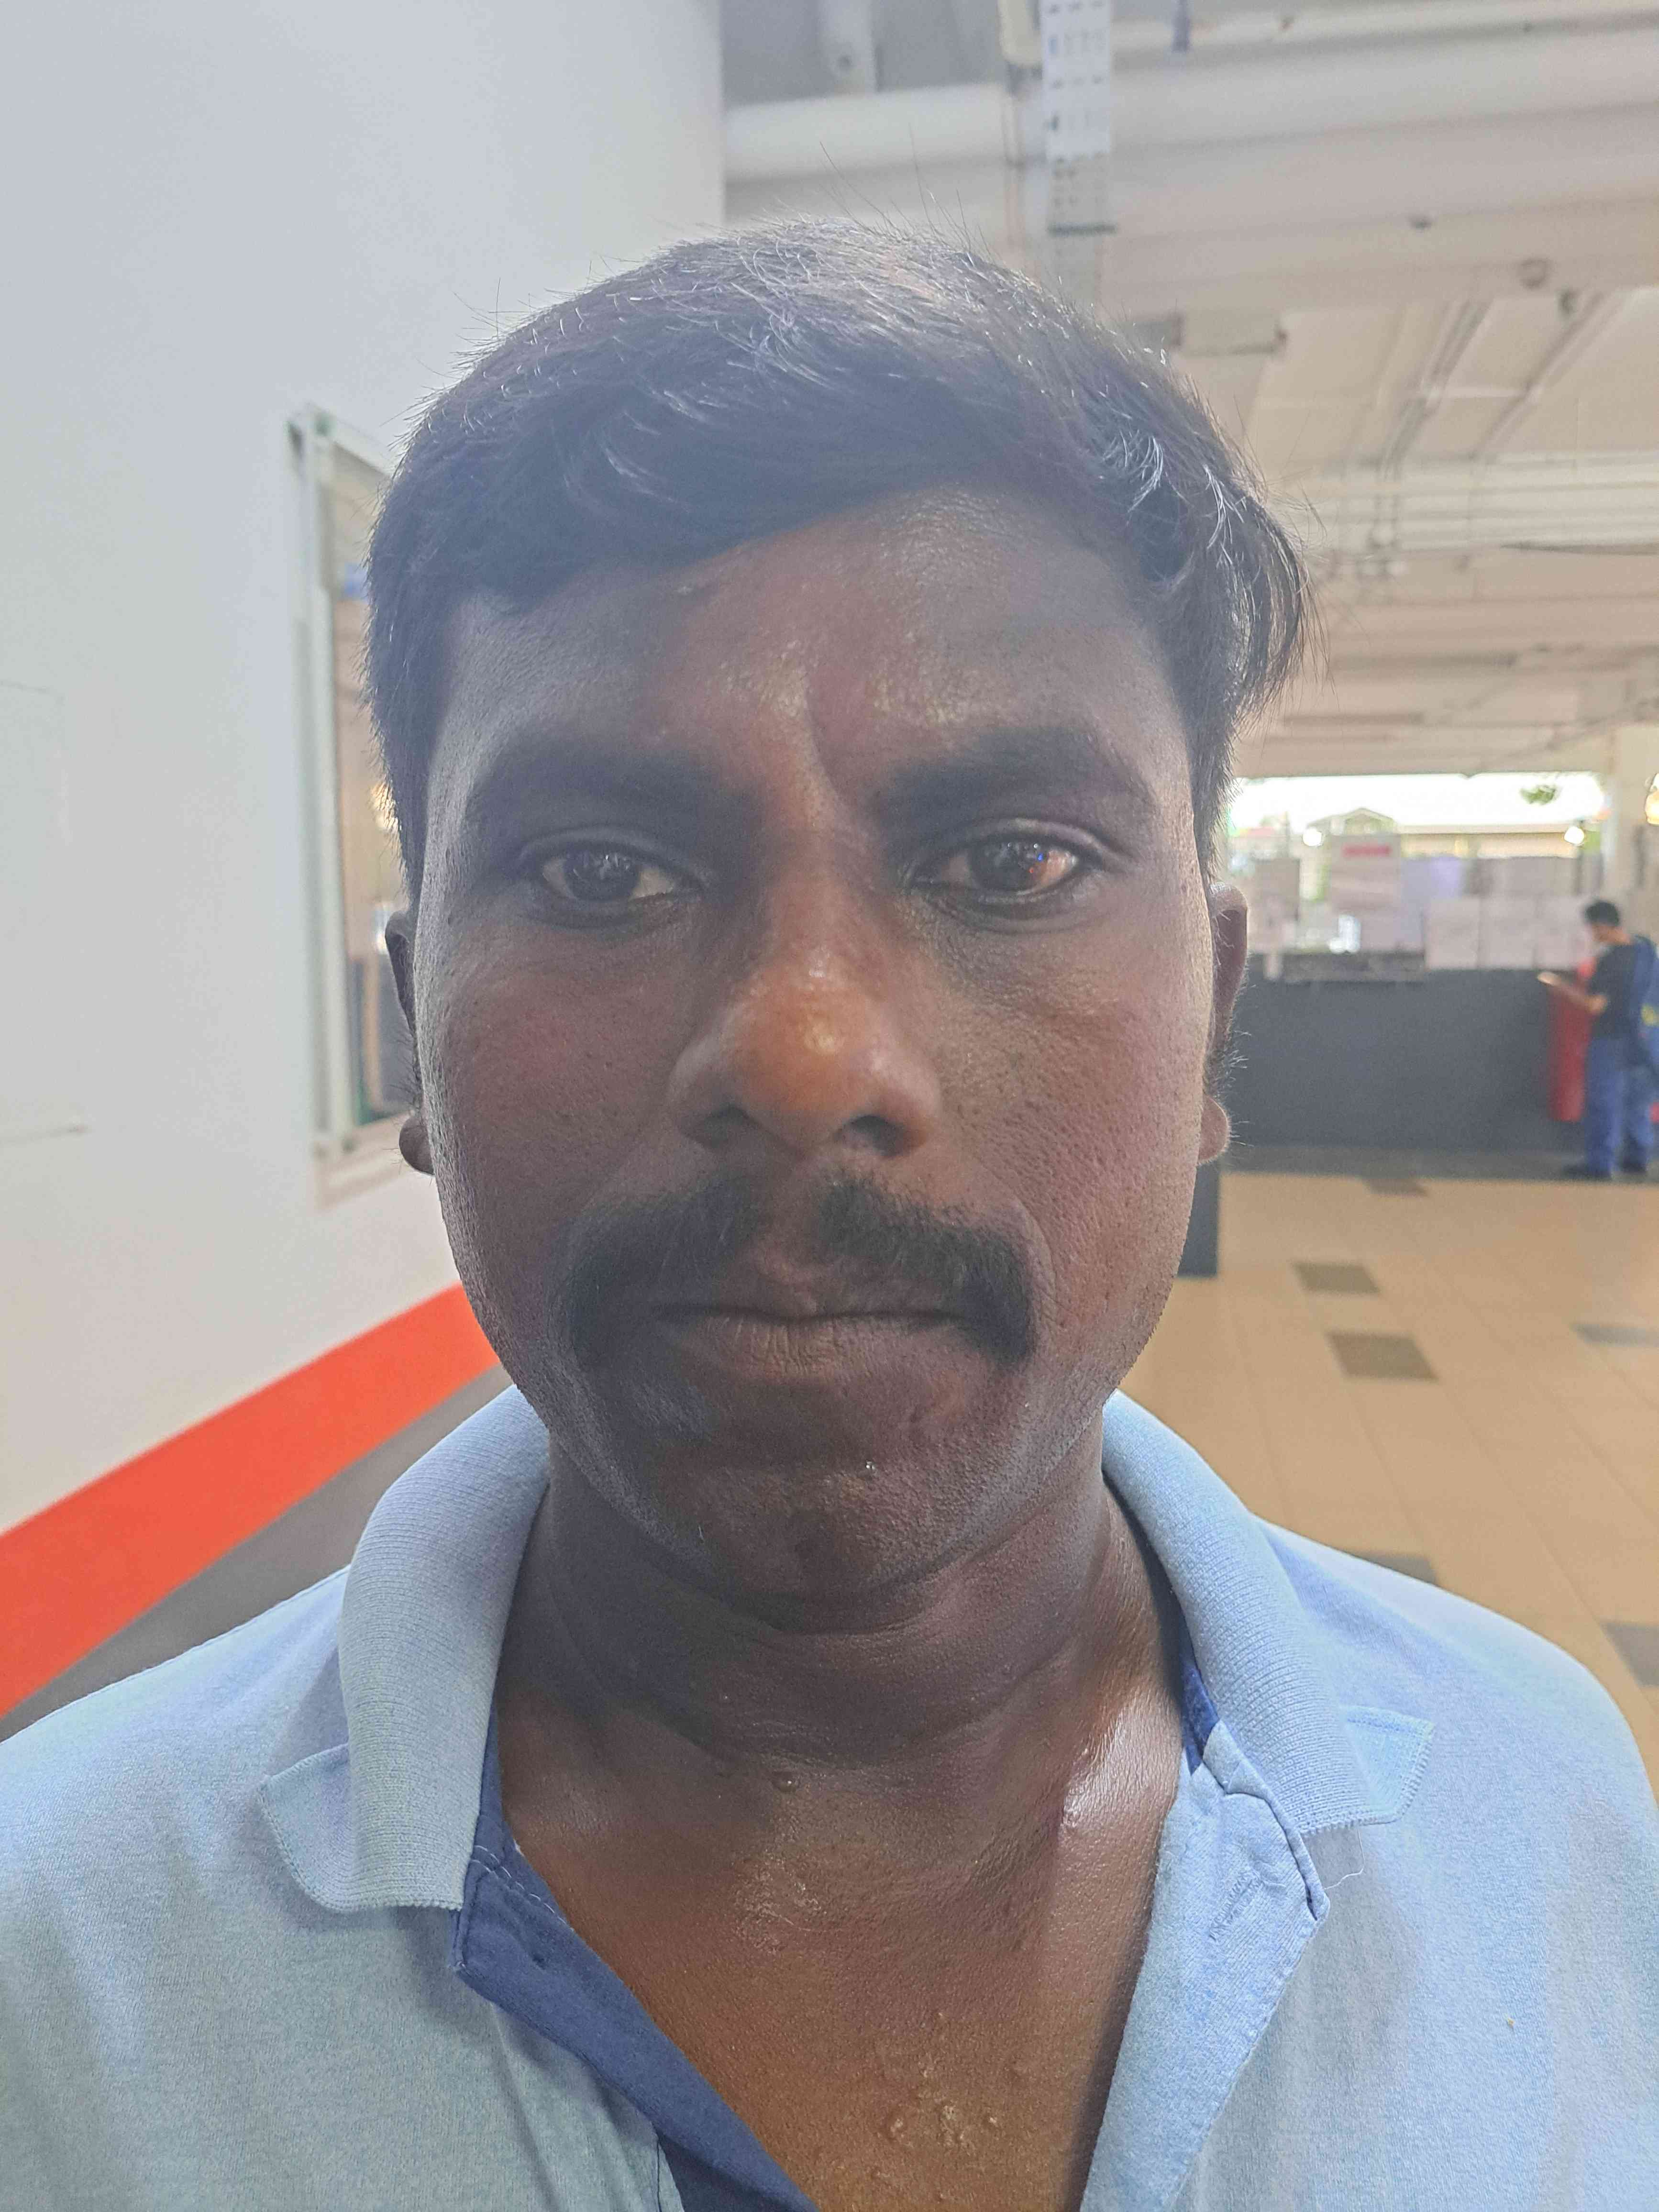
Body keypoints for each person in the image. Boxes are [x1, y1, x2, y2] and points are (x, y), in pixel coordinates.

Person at [1, 225, 1654, 2212]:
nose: (801, 1052)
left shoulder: (1541, 1808)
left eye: (1011, 858)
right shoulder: (52, 1955)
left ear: (1214, 1006)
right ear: (409, 1031)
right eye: (600, 870)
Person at [1540, 898, 1657, 1179]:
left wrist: (1561, 987)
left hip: (1611, 1038)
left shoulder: (1612, 960)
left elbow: (1595, 1005)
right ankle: (1637, 1158)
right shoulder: (1647, 952)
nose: (1591, 935)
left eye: (1592, 928)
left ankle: (1600, 1164)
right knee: (1637, 1101)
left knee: (1604, 1101)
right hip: (1646, 1038)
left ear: (1602, 926)